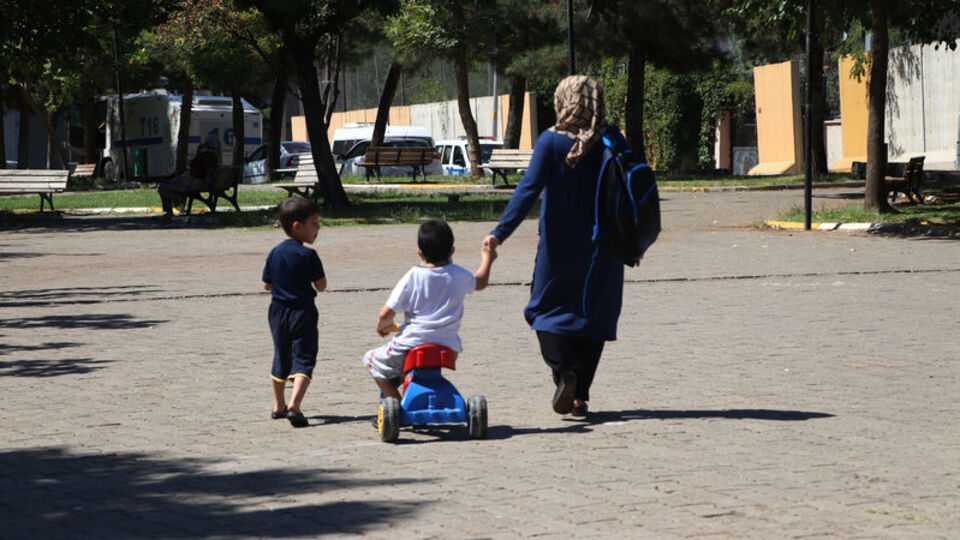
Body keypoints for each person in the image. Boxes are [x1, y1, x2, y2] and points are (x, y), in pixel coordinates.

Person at [482, 75, 642, 418]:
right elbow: (633, 192)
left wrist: (500, 232)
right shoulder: (613, 139)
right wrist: (636, 242)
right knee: (593, 316)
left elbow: (527, 190)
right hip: (607, 249)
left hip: (558, 249)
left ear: (563, 100)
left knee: (543, 313)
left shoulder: (551, 143)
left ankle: (566, 371)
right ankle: (580, 394)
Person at [363, 219, 496, 401]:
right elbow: (480, 282)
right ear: (452, 252)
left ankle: (396, 404)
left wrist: (382, 325)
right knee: (401, 365)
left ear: (420, 252)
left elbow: (386, 313)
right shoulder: (458, 274)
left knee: (371, 360)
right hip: (448, 349)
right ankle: (406, 383)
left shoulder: (413, 277)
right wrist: (488, 258)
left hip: (410, 347)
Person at [262, 197, 327, 427]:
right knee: (304, 357)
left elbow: (267, 285)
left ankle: (277, 405)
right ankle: (294, 405)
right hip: (303, 312)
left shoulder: (275, 253)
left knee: (281, 354)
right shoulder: (309, 255)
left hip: (277, 312)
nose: (318, 228)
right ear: (298, 227)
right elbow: (321, 285)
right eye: (314, 223)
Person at [158, 143, 218, 217]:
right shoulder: (212, 162)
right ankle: (176, 204)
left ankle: (171, 210)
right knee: (167, 185)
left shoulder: (202, 162)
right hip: (195, 182)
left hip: (192, 183)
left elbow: (192, 170)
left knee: (163, 187)